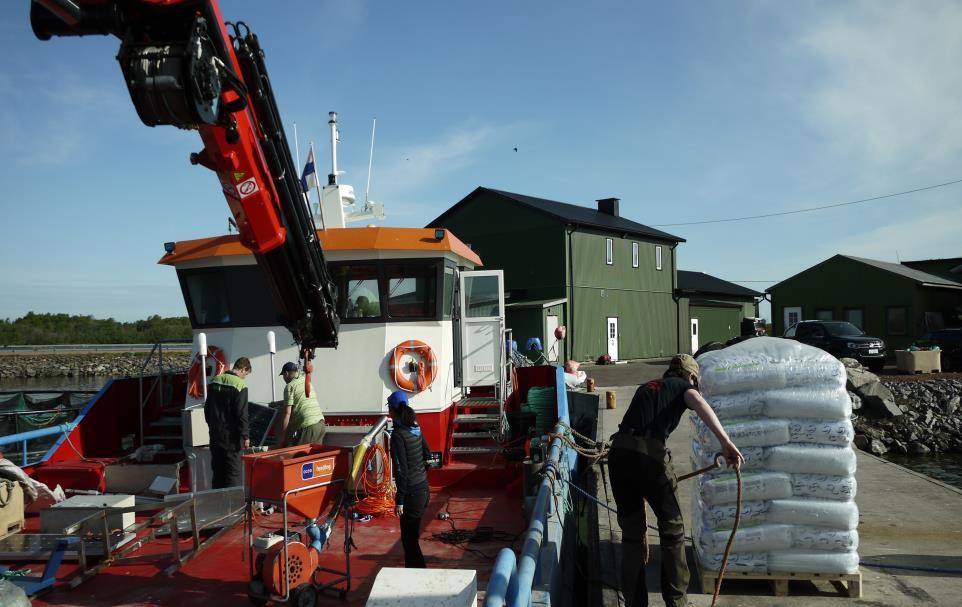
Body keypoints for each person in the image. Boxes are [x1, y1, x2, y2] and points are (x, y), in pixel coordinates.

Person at [608, 354, 743, 607]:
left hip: (618, 455)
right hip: (649, 456)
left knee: (632, 534)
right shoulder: (683, 386)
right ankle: (676, 601)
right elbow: (698, 402)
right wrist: (726, 443)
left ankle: (634, 603)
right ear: (689, 375)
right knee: (672, 529)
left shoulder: (646, 387)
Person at [387, 390, 432, 568]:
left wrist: (400, 500)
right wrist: (420, 473)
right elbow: (428, 455)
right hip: (423, 489)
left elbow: (401, 470)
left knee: (409, 541)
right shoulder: (415, 428)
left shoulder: (398, 435)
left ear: (392, 410)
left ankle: (419, 576)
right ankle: (413, 575)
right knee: (411, 538)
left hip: (412, 495)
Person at [205, 356, 252, 488]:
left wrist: (212, 426)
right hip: (231, 438)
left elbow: (207, 409)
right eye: (246, 375)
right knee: (233, 473)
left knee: (218, 472)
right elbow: (241, 414)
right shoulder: (240, 385)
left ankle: (218, 504)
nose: (244, 378)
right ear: (243, 369)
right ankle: (233, 507)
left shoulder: (215, 380)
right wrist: (245, 436)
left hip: (215, 435)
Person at [276, 362, 326, 447]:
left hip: (309, 426)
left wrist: (282, 437)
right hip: (320, 425)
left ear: (286, 373)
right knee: (314, 457)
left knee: (301, 456)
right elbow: (295, 399)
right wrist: (276, 403)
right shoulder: (305, 379)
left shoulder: (289, 386)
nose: (283, 378)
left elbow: (287, 414)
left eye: (283, 375)